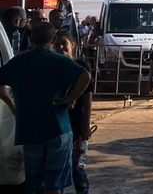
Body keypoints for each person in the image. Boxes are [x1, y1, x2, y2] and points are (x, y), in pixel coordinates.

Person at [0, 22, 91, 194]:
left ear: (31, 39)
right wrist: (71, 99)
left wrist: (13, 106)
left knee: (35, 184)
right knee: (54, 184)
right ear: (54, 39)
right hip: (58, 128)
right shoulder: (60, 61)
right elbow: (85, 76)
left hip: (29, 129)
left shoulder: (18, 62)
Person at [54, 33, 92, 194]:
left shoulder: (82, 66)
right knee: (57, 166)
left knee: (76, 165)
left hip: (76, 122)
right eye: (57, 45)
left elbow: (88, 98)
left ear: (73, 45)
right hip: (57, 123)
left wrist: (86, 125)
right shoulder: (52, 68)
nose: (61, 47)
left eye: (64, 44)